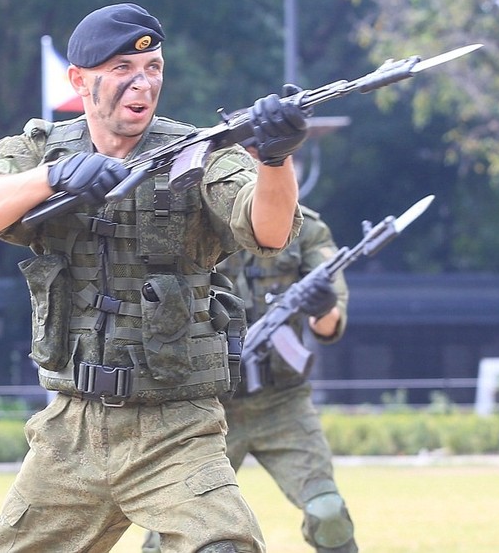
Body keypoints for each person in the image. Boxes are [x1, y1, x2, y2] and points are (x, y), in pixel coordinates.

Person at [0, 3, 309, 552]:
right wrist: (52, 177)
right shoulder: (44, 152)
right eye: (122, 70)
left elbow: (271, 230)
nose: (142, 84)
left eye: (154, 69)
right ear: (80, 80)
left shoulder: (199, 154)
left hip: (175, 430)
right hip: (71, 432)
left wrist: (275, 160)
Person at [142, 204, 357, 553]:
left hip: (283, 404)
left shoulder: (306, 228)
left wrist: (322, 305)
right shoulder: (191, 221)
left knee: (328, 513)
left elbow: (329, 324)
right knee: (169, 534)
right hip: (208, 406)